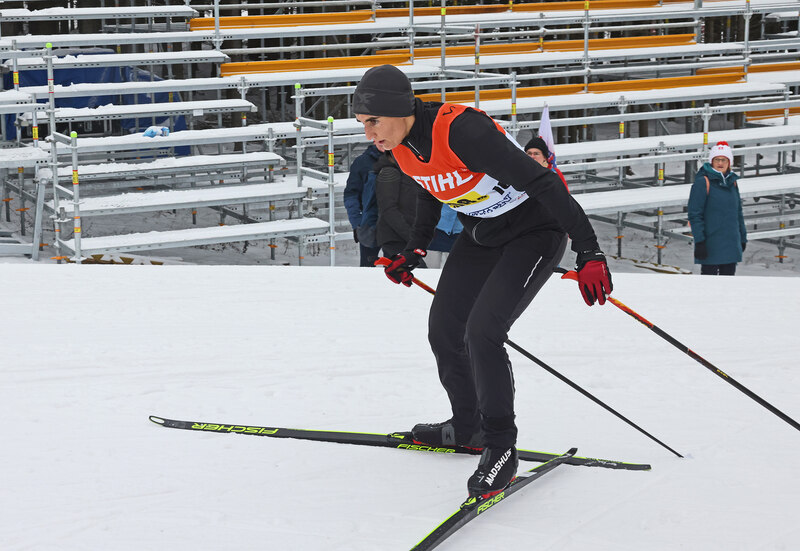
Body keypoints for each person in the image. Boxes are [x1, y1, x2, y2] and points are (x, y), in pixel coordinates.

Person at [352, 64, 612, 500]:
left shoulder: (462, 131)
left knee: (483, 332)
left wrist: (589, 251)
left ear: (398, 109)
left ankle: (500, 446)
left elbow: (544, 182)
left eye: (373, 121)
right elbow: (429, 188)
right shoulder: (399, 146)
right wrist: (414, 250)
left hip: (534, 232)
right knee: (444, 329)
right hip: (483, 234)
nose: (368, 133)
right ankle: (467, 426)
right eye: (363, 123)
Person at [688, 141, 747, 276]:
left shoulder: (733, 182)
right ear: (711, 161)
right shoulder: (703, 182)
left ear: (729, 162)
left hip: (731, 243)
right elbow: (695, 214)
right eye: (717, 159)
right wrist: (700, 241)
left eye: (724, 160)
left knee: (728, 284)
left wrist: (742, 237)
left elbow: (738, 213)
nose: (720, 163)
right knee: (710, 284)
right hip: (710, 243)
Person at [344, 144, 382, 267]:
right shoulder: (362, 163)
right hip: (369, 226)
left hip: (398, 227)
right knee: (367, 270)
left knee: (400, 270)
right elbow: (351, 195)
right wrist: (357, 223)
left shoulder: (403, 159)